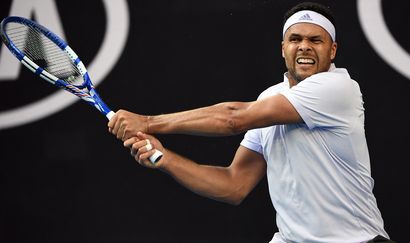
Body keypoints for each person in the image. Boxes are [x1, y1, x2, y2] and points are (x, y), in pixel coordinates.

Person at [108, 2, 393, 242]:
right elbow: (234, 185)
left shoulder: (337, 88)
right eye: (295, 39)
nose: (304, 47)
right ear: (283, 48)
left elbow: (233, 119)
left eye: (315, 40)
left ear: (332, 51)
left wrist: (147, 122)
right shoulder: (270, 98)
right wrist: (164, 158)